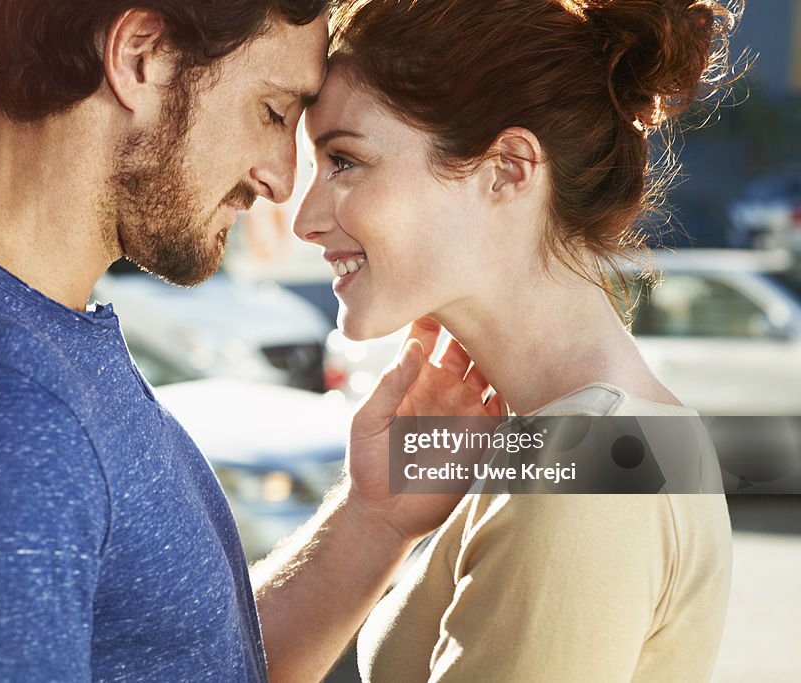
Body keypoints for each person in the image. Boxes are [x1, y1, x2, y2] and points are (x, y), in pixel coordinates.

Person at [0, 2, 499, 681]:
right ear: (140, 55)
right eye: (272, 111)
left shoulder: (15, 349)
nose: (279, 180)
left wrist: (372, 516)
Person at [293, 0, 739, 680]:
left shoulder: (582, 470)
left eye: (346, 161)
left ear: (506, 167)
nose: (306, 218)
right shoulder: (598, 438)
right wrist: (370, 516)